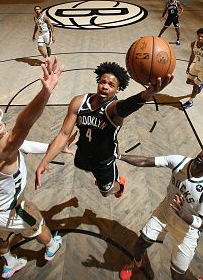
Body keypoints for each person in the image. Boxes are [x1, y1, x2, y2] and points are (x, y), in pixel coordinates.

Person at [0, 57, 70, 279]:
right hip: (12, 209)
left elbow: (26, 145)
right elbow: (22, 126)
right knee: (39, 226)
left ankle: (10, 263)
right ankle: (52, 246)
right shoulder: (1, 152)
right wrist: (45, 93)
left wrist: (55, 148)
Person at [35, 62, 173, 198]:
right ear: (98, 82)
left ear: (118, 90)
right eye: (103, 82)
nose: (105, 87)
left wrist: (146, 95)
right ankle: (102, 180)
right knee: (82, 166)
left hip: (104, 159)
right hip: (84, 150)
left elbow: (125, 106)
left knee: (105, 192)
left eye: (111, 85)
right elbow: (64, 134)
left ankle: (120, 185)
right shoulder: (79, 102)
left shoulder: (112, 109)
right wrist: (45, 161)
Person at [117, 144, 203, 280]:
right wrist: (119, 155)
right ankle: (138, 262)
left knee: (178, 275)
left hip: (186, 230)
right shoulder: (179, 161)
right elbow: (145, 160)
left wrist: (184, 215)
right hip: (165, 213)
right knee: (140, 244)